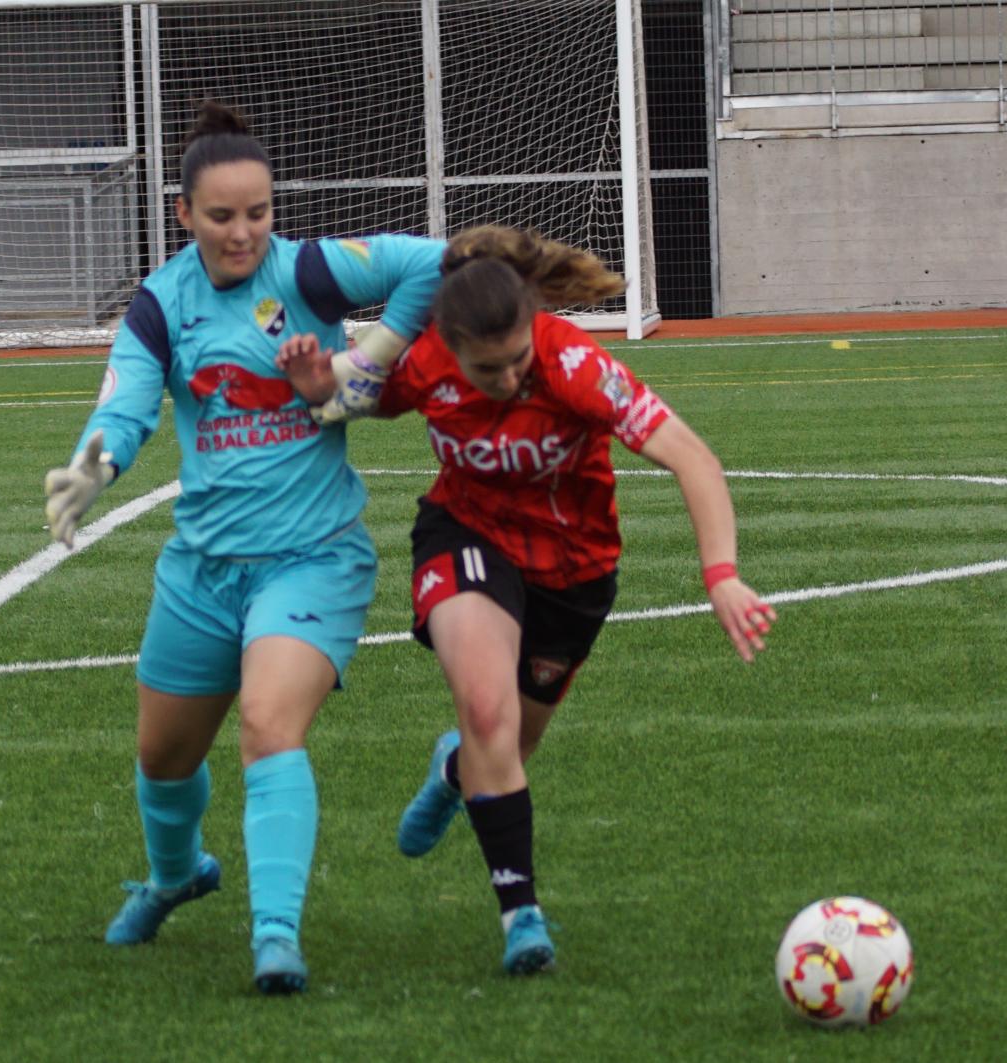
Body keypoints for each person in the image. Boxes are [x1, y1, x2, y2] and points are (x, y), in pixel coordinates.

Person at [276, 225, 775, 975]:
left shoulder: (574, 363)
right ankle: (522, 915)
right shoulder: (427, 360)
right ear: (449, 345)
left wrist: (722, 574)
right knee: (487, 713)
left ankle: (455, 773)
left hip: (574, 573)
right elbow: (358, 402)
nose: (508, 378)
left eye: (517, 360)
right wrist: (319, 385)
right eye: (488, 369)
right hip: (466, 534)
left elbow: (692, 457)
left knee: (507, 748)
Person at [42, 99, 443, 995]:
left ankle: (275, 935)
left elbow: (432, 264)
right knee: (163, 760)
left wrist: (355, 368)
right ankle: (176, 874)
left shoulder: (306, 269)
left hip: (312, 560)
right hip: (201, 571)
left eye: (257, 212)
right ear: (183, 213)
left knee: (269, 723)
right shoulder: (160, 303)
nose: (243, 233)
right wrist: (91, 469)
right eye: (221, 216)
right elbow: (128, 406)